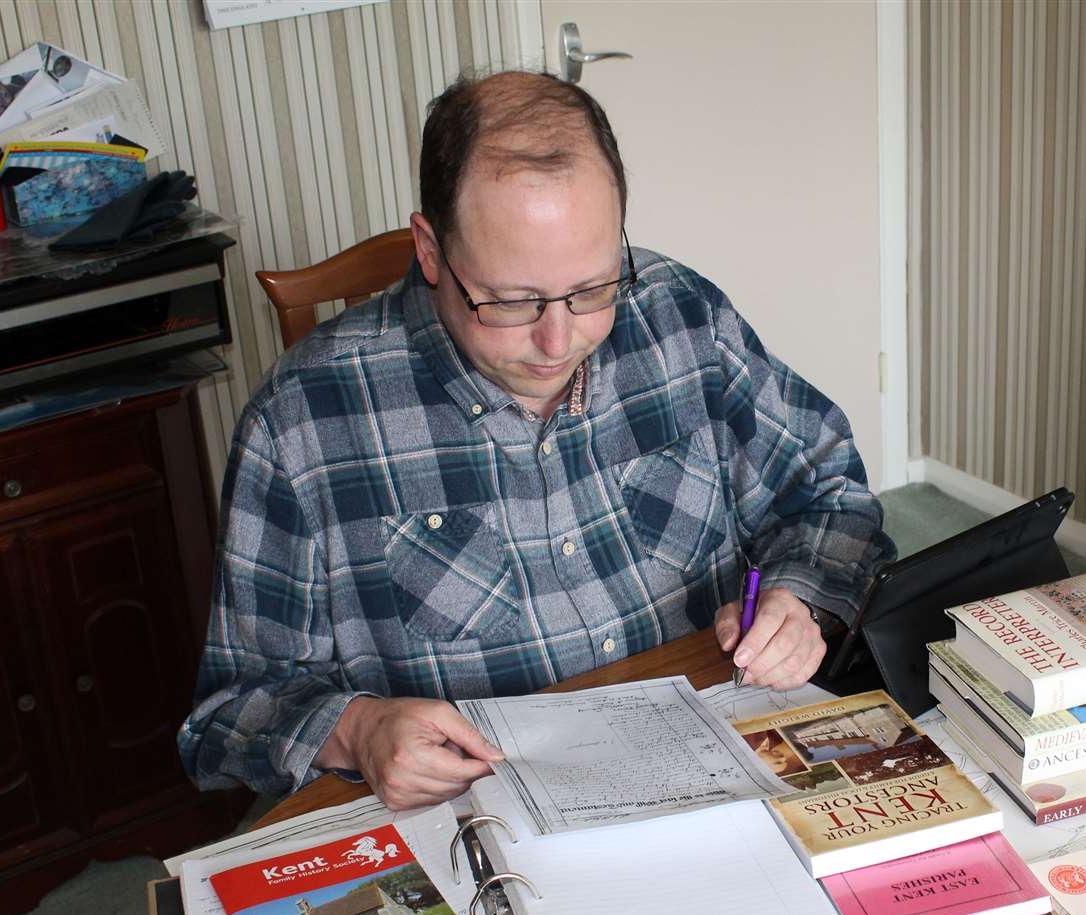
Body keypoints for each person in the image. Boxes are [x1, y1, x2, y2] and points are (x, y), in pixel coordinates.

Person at [179, 72, 894, 810]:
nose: (559, 340)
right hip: (488, 812)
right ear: (431, 251)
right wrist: (358, 730)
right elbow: (231, 715)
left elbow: (825, 491)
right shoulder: (300, 420)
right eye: (512, 302)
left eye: (592, 289)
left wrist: (794, 598)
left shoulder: (683, 315)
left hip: (717, 758)